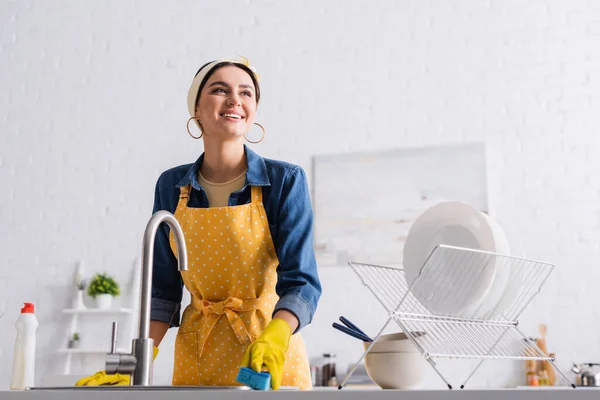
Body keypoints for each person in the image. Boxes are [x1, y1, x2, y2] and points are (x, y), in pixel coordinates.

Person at [76, 57, 321, 390]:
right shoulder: (172, 186)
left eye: (246, 93)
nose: (235, 100)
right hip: (198, 351)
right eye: (220, 90)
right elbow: (163, 290)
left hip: (266, 353)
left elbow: (302, 283)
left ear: (254, 111)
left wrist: (276, 337)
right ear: (196, 109)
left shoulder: (284, 181)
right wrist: (138, 362)